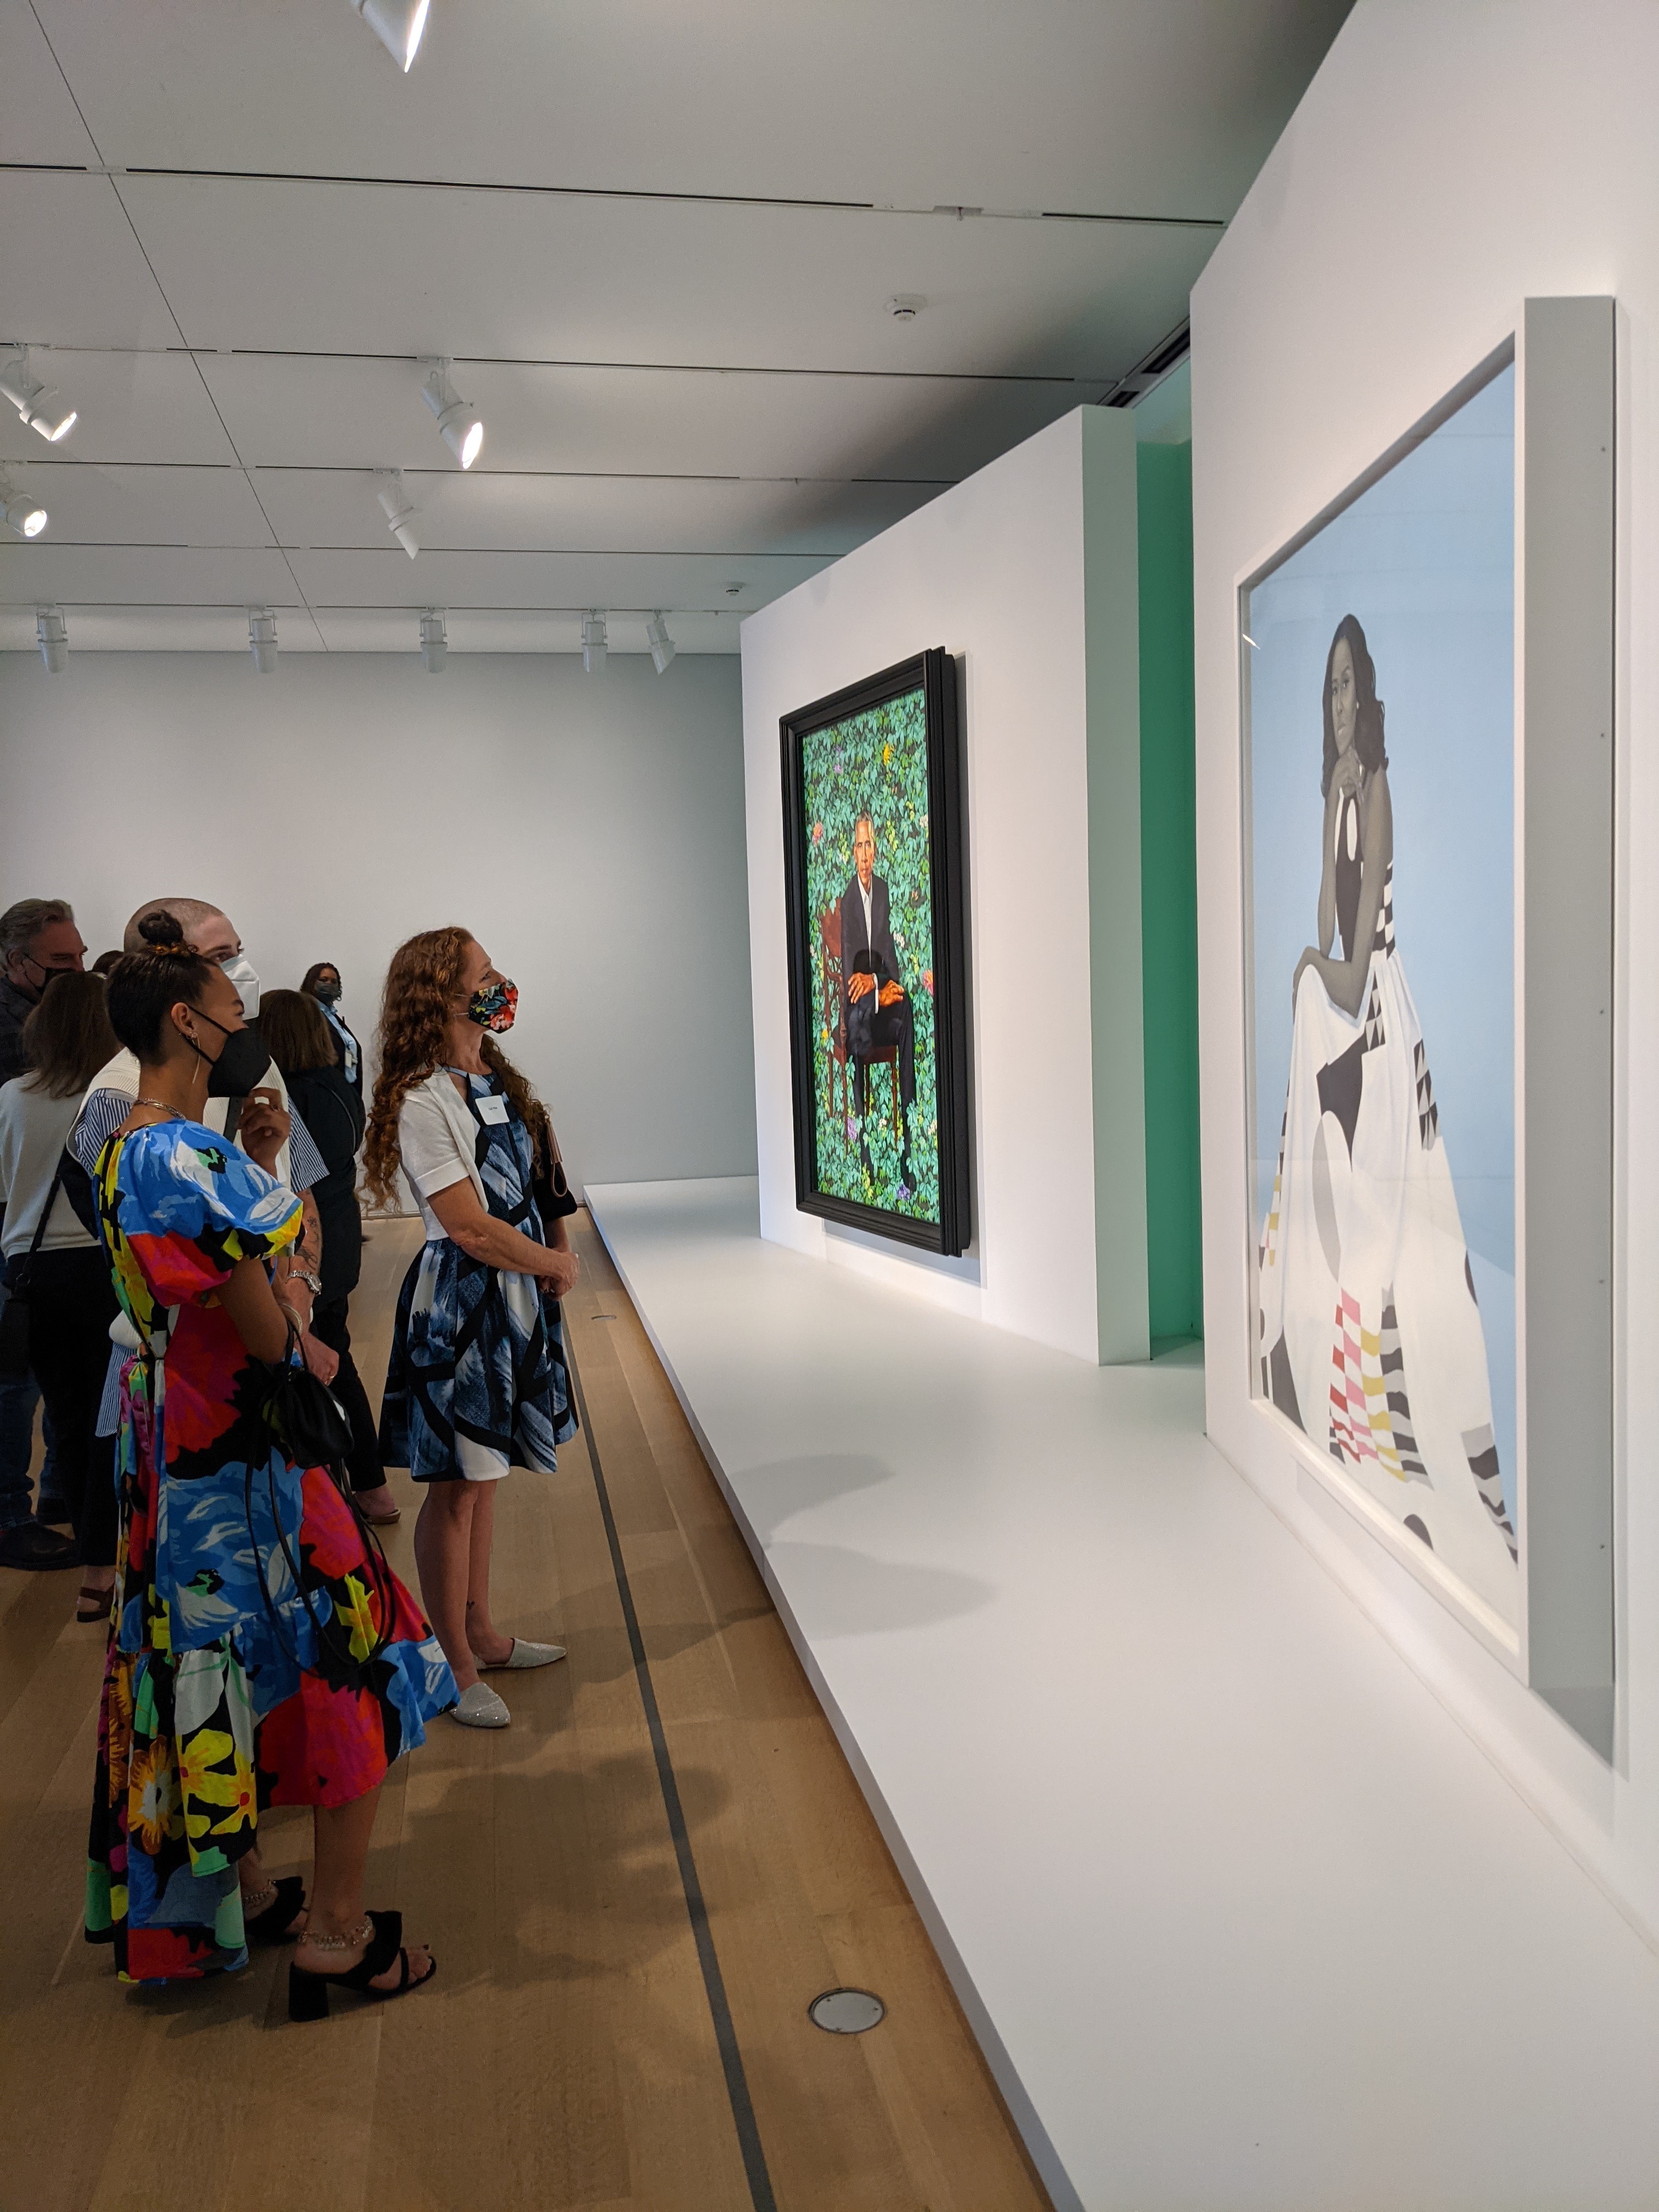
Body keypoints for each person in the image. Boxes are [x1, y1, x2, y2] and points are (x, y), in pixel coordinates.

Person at [86, 912, 452, 2012]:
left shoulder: (122, 1151)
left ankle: (244, 1881)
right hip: (248, 1472)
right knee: (366, 1657)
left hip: (178, 1466)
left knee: (216, 1672)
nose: (246, 1011)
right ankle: (340, 1931)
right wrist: (293, 1281)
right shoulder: (183, 1157)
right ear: (186, 1023)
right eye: (230, 1001)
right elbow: (263, 1329)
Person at [1256, 613, 1516, 1616]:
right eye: (1323, 688)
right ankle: (1326, 1372)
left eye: (1342, 686)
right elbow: (1324, 919)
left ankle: (1397, 1402)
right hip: (1342, 1008)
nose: (1333, 704)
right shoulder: (1336, 788)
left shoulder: (1380, 790)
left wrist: (1319, 968)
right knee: (1328, 1208)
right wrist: (1313, 957)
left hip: (1377, 1017)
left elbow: (1357, 949)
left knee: (1392, 1224)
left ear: (1366, 696)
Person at [365, 927, 578, 1729]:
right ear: (441, 995)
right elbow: (466, 1225)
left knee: (483, 1481)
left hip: (514, 1291)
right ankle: (452, 1659)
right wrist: (550, 1265)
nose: (499, 984)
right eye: (484, 975)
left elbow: (539, 1181)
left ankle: (482, 1632)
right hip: (463, 1301)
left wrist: (555, 1252)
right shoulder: (422, 1097)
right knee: (455, 1488)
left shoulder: (494, 1078)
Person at [0, 974, 122, 1611]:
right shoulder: (115, 1099)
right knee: (114, 1420)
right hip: (104, 1268)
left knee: (68, 1423)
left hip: (32, 1272)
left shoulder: (12, 1097)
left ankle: (93, 1572)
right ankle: (116, 1559)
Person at [259, 988, 398, 1525]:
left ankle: (357, 1490)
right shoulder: (338, 1086)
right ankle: (365, 1487)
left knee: (323, 1359)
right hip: (340, 1233)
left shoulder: (287, 1098)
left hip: (308, 1240)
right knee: (332, 1352)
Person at [0, 897, 84, 1566]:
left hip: (35, 1236)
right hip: (24, 1240)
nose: (76, 971)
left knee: (63, 1382)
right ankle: (11, 1513)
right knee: (18, 1382)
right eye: (63, 961)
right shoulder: (16, 1048)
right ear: (15, 961)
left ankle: (60, 1493)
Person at [838, 812, 918, 1176]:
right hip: (860, 1013)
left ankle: (908, 1137)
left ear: (876, 849)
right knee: (859, 1019)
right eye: (860, 845)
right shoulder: (848, 901)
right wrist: (874, 991)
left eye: (870, 844)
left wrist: (882, 986)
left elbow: (889, 958)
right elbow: (850, 978)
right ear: (853, 852)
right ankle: (865, 1149)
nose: (865, 852)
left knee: (907, 1007)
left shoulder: (883, 891)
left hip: (879, 1003)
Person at [302, 961, 362, 1096]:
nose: (329, 984)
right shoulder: (306, 1015)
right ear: (311, 982)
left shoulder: (334, 1017)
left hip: (348, 1091)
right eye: (323, 980)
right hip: (324, 1093)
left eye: (334, 982)